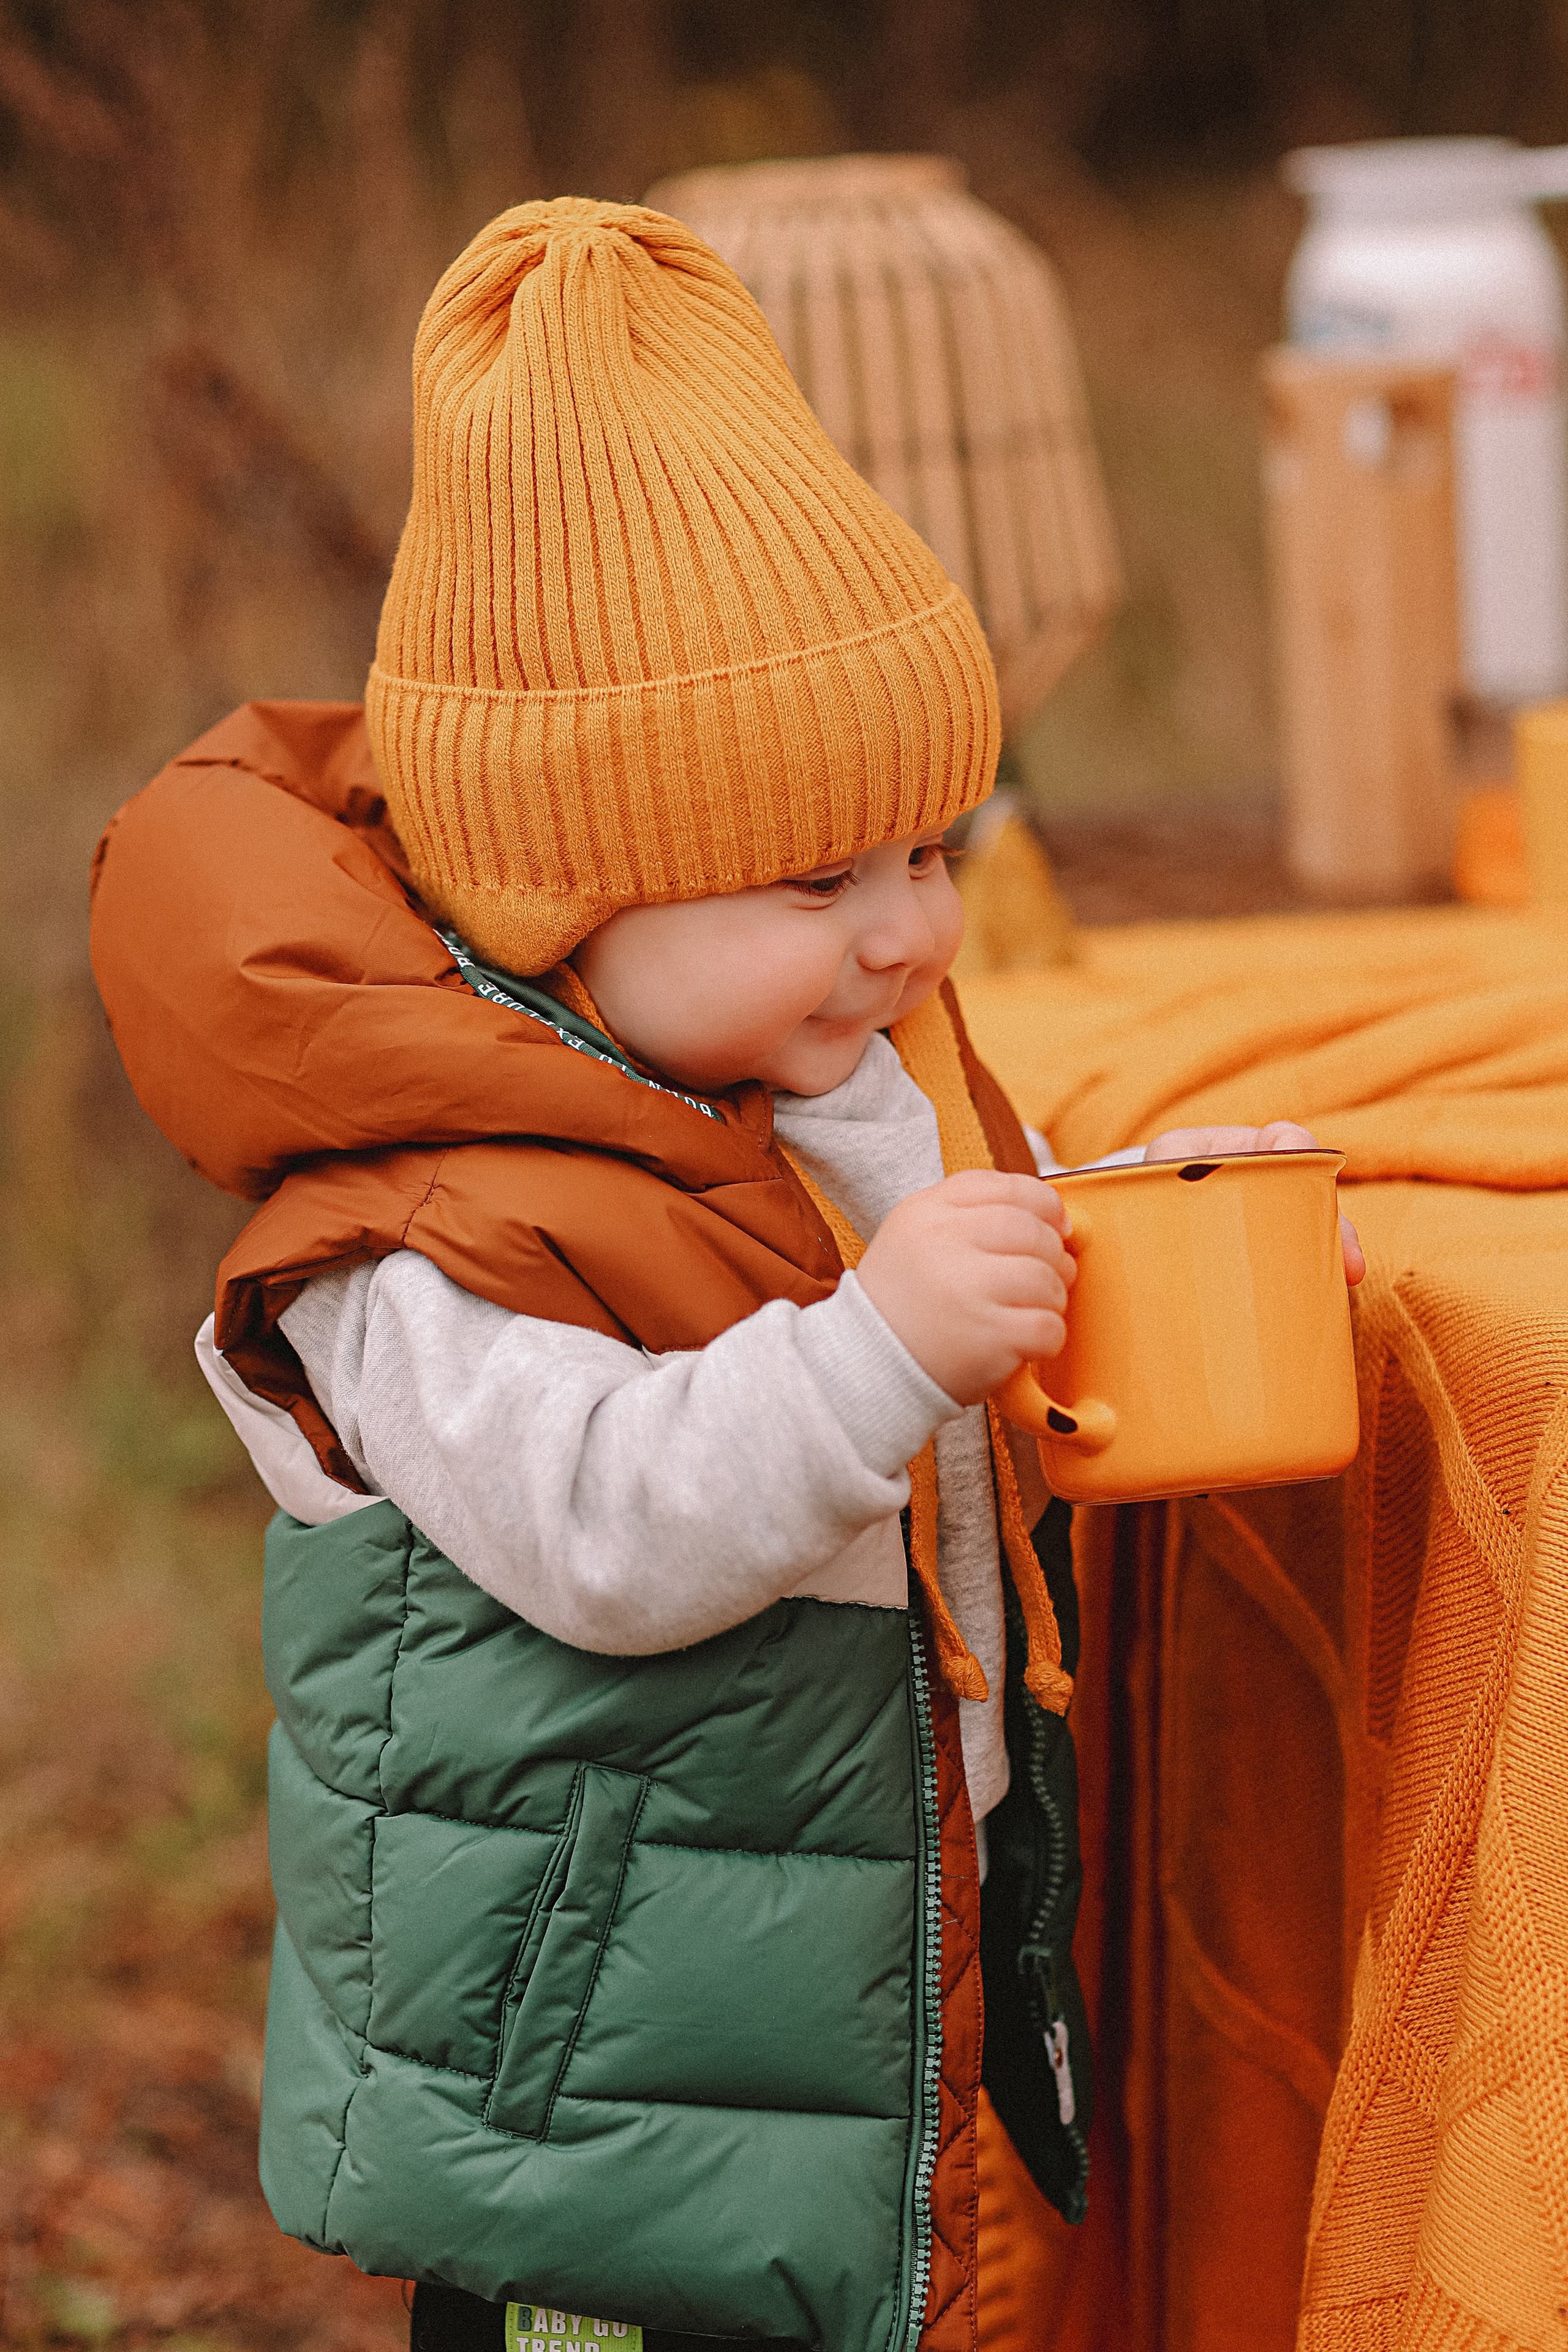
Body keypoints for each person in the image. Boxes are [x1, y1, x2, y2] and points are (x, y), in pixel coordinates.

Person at [89, 198, 1361, 2352]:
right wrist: (880, 1348)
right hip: (591, 2104)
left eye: (929, 852)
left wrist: (1102, 1291)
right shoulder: (422, 1228)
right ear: (562, 889)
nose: (911, 933)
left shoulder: (806, 1075)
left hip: (811, 1980)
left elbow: (938, 1387)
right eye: (816, 878)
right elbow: (604, 1529)